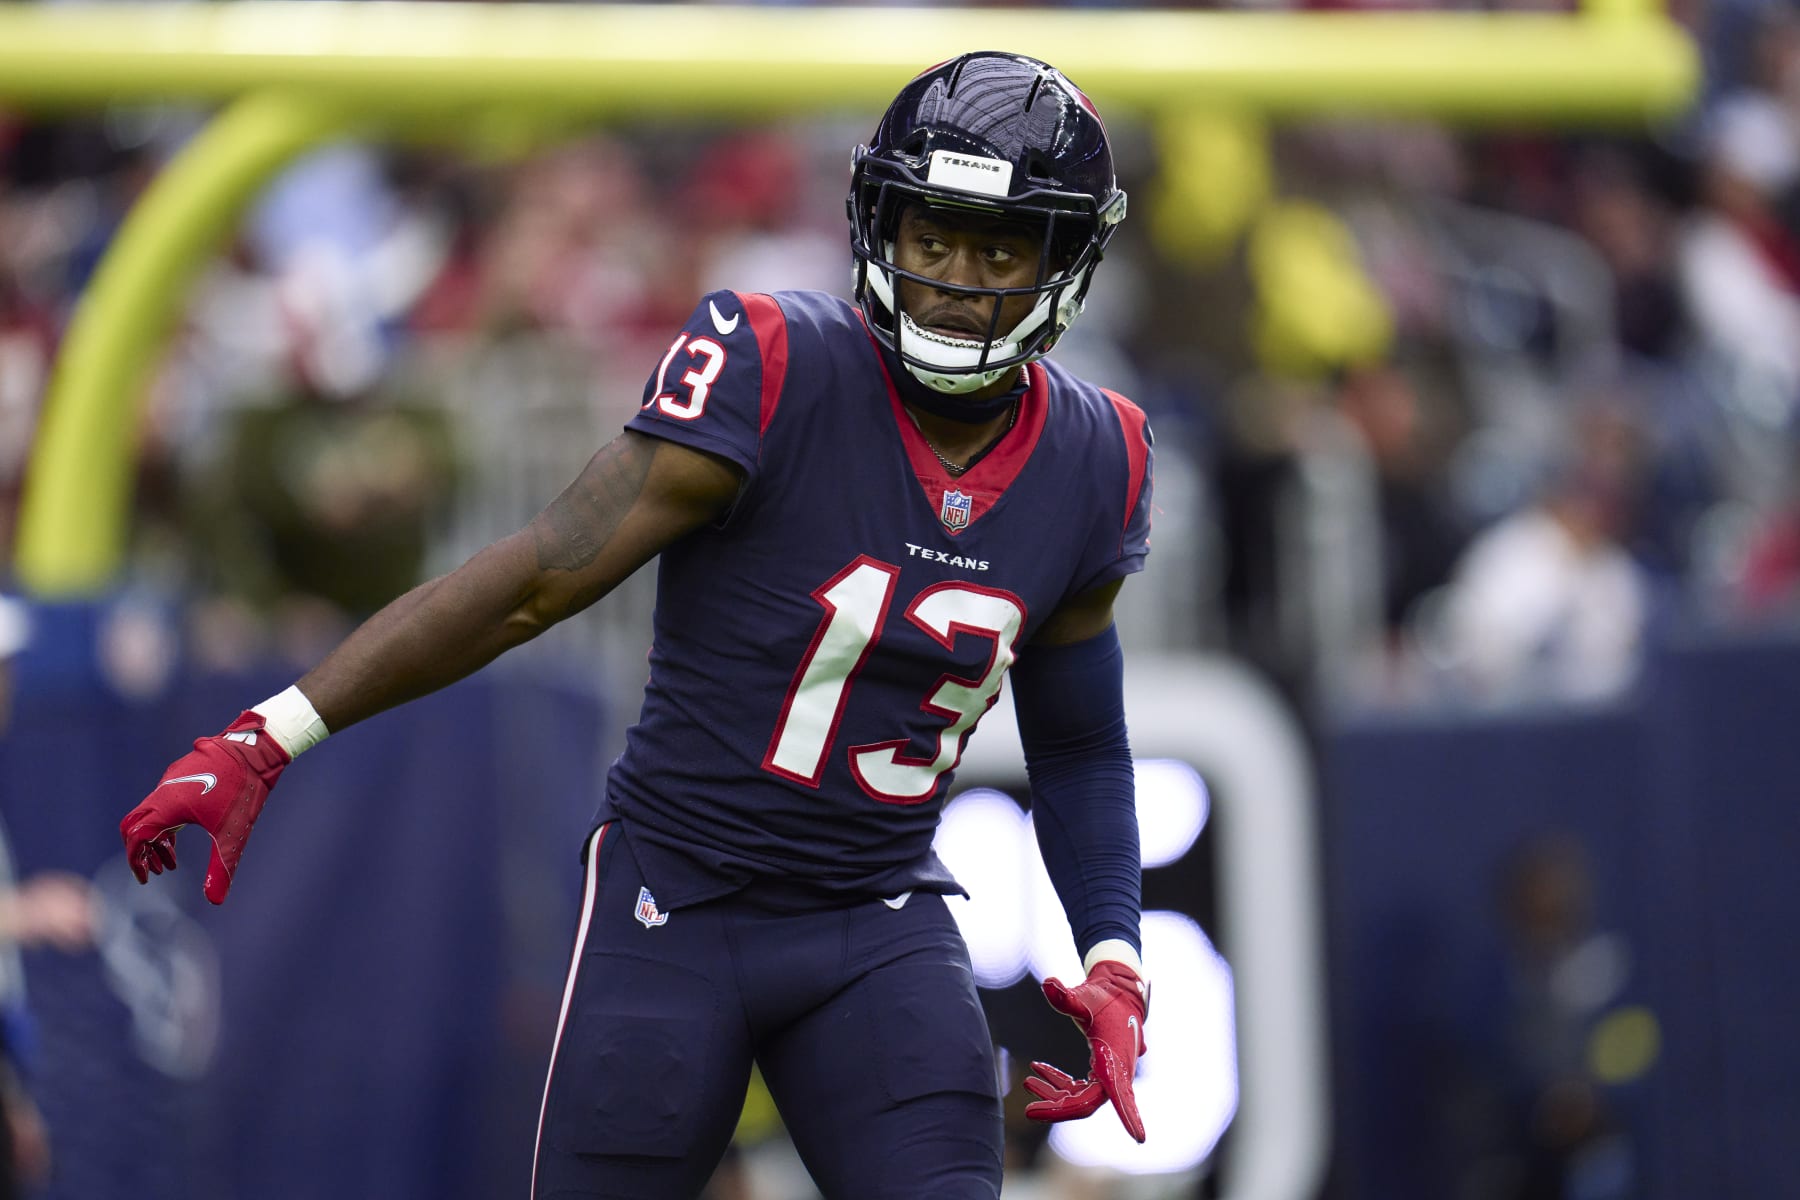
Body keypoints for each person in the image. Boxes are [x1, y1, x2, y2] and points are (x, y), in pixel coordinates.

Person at [121, 52, 1155, 1200]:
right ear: (880, 226)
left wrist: (1116, 957)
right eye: (931, 238)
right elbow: (538, 577)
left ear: (1066, 261)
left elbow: (1079, 744)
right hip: (679, 903)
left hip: (878, 915)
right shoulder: (775, 365)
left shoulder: (1098, 455)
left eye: (1000, 248)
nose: (956, 278)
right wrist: (274, 732)